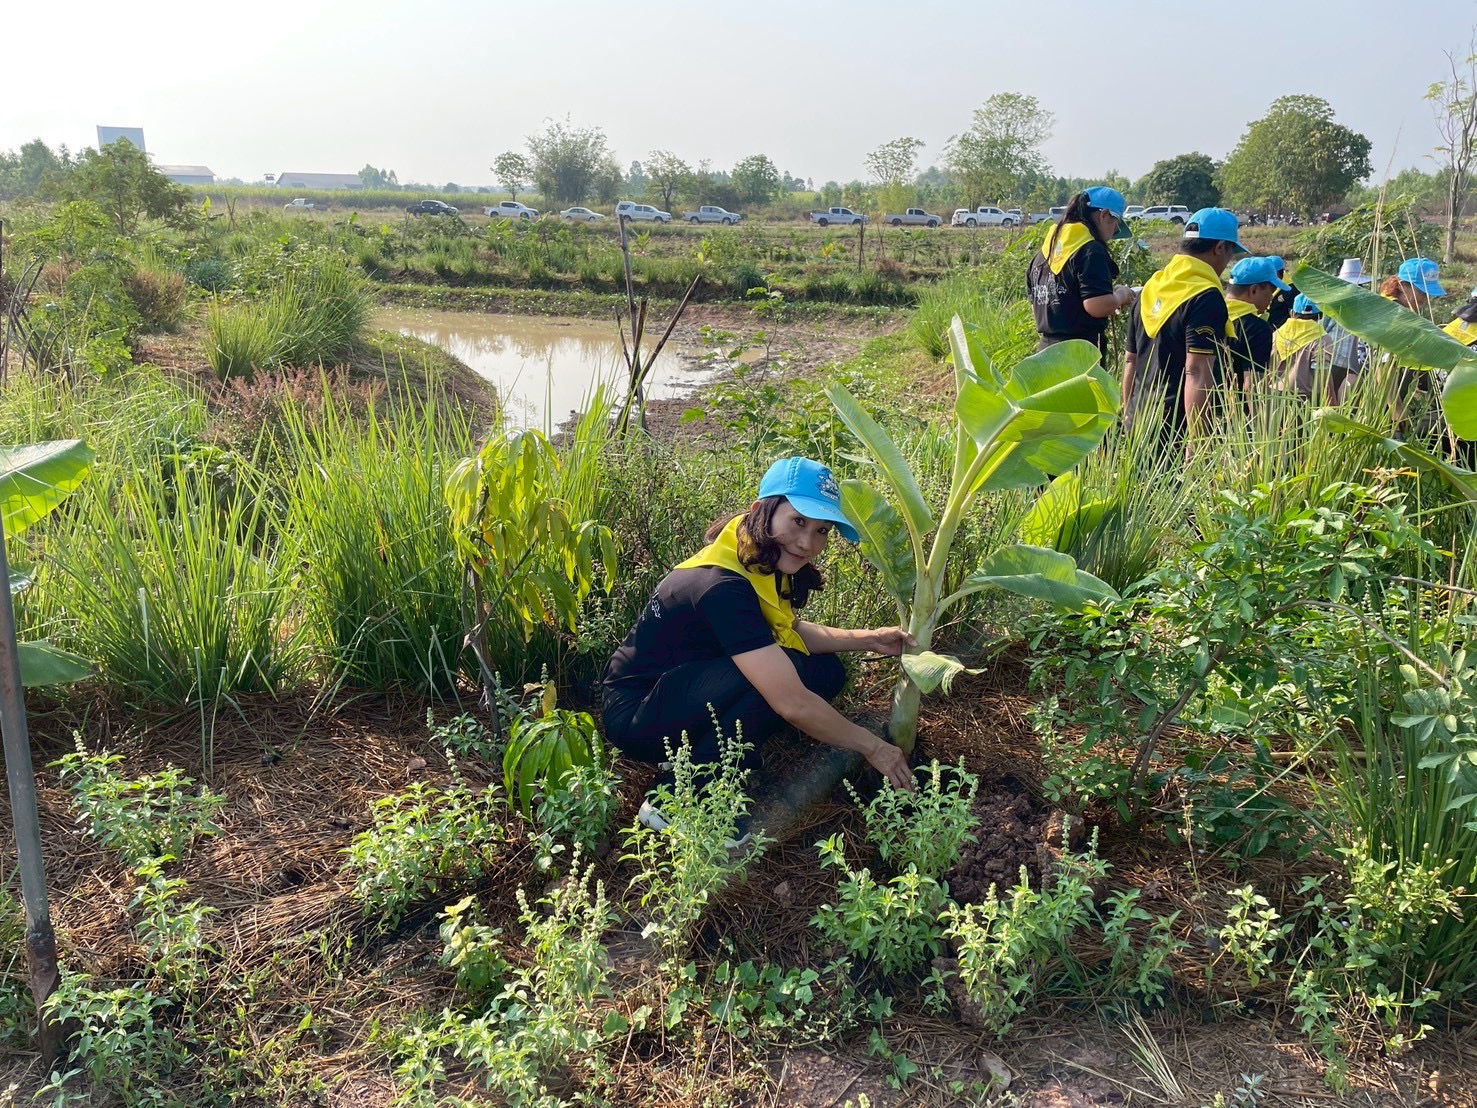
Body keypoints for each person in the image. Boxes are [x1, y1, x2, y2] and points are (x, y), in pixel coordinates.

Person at [601, 457, 917, 837]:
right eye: (798, 521)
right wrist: (874, 747)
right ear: (762, 511)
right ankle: (676, 799)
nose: (808, 542)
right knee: (785, 680)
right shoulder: (721, 586)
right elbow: (792, 702)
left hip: (683, 689)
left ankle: (698, 754)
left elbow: (787, 629)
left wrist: (869, 639)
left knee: (825, 671)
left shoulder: (754, 554)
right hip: (639, 714)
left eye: (822, 530)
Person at [1123, 208, 1248, 447]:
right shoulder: (1204, 296)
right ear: (1219, 247)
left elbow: (1130, 360)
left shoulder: (1151, 288)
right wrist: (1198, 442)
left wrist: (1129, 418)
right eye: (1230, 252)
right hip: (1176, 430)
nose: (1227, 263)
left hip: (1138, 421)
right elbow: (1197, 372)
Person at [1026, 186, 1136, 357]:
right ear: (1104, 214)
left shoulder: (1043, 254)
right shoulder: (1091, 251)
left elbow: (1037, 306)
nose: (1115, 230)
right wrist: (1120, 295)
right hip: (1080, 354)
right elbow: (1096, 305)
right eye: (1117, 223)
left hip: (1045, 353)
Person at [1223, 256, 1288, 391]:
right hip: (1236, 409)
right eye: (1270, 292)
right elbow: (1253, 386)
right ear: (1254, 290)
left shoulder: (1207, 314)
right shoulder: (1256, 328)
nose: (1271, 298)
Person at [1264, 256, 1298, 330]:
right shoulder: (1264, 286)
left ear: (1280, 273)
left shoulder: (1290, 289)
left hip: (1283, 332)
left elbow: (1294, 316)